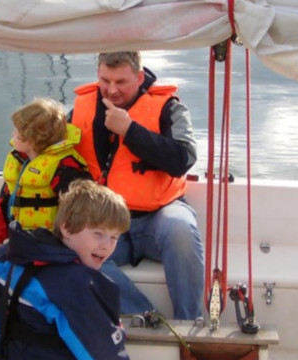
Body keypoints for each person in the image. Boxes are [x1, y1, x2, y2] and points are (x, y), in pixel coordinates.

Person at [69, 51, 203, 320]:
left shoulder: (170, 108)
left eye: (121, 82)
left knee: (181, 229)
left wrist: (130, 131)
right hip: (105, 220)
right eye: (106, 80)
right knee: (70, 253)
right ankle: (145, 317)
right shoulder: (80, 108)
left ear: (140, 77)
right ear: (97, 74)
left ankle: (189, 324)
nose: (112, 89)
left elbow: (183, 159)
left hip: (160, 215)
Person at [0, 180, 130, 360]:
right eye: (98, 234)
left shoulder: (16, 260)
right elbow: (102, 352)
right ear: (66, 228)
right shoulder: (75, 284)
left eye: (114, 237)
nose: (106, 246)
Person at [0, 97, 90, 253]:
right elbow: (4, 200)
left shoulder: (63, 167)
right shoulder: (20, 162)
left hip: (52, 242)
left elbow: (80, 208)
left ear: (31, 140)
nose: (12, 135)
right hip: (22, 238)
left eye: (16, 133)